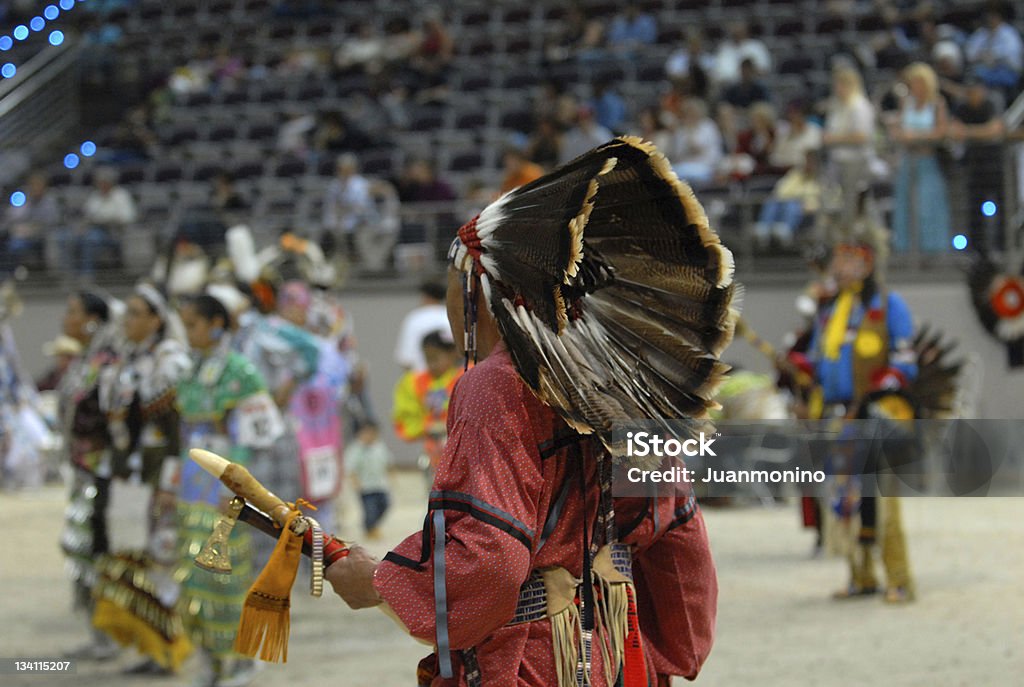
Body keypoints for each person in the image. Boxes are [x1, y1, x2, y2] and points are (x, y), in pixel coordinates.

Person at [325, 137, 723, 685]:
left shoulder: (495, 387)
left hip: (529, 661)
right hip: (616, 648)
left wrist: (380, 581)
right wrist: (672, 651)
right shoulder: (624, 374)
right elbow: (678, 529)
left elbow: (490, 560)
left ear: (478, 291)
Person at [807, 219, 917, 604]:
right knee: (846, 499)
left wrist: (881, 387)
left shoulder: (888, 306)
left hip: (875, 415)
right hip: (840, 417)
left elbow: (906, 361)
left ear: (867, 264)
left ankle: (899, 579)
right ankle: (861, 575)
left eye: (849, 260)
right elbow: (818, 361)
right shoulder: (832, 311)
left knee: (882, 501)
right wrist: (802, 373)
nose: (840, 268)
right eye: (838, 260)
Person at [175, 294, 279, 687]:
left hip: (224, 482)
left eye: (193, 324)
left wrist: (235, 483)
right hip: (191, 481)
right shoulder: (190, 370)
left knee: (225, 571)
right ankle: (211, 659)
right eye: (184, 325)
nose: (188, 333)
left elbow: (255, 436)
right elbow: (181, 433)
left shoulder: (240, 371)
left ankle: (240, 659)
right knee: (193, 570)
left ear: (217, 324)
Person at [91, 284, 193, 675]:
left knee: (162, 556)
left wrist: (171, 481)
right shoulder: (122, 360)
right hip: (127, 473)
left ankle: (171, 647)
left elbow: (176, 430)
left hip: (158, 477)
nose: (128, 320)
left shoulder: (170, 363)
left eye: (136, 313)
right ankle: (151, 645)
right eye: (127, 312)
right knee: (132, 555)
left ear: (156, 320)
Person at [58, 290, 120, 660]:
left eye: (73, 312)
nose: (67, 319)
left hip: (104, 473)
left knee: (92, 548)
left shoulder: (108, 363)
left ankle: (109, 634)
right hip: (84, 470)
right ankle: (99, 632)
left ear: (93, 319)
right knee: (80, 548)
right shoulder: (87, 361)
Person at [889, 62, 951, 254]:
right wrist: (899, 133)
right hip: (908, 161)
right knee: (904, 204)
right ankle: (906, 248)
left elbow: (941, 132)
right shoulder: (905, 103)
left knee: (928, 205)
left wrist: (915, 136)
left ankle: (932, 249)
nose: (915, 86)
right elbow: (897, 130)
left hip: (927, 161)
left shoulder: (937, 103)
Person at [392, 331, 462, 485]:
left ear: (453, 354)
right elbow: (405, 418)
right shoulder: (414, 382)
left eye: (436, 358)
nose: (432, 364)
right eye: (427, 358)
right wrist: (426, 427)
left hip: (463, 455)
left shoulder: (465, 376)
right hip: (433, 455)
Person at [949, 78, 1006, 251]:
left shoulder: (991, 104)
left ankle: (1001, 245)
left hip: (994, 165)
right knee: (974, 209)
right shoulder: (962, 107)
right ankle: (977, 249)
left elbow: (995, 129)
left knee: (1001, 207)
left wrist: (969, 132)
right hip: (973, 166)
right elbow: (954, 131)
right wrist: (980, 132)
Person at [822, 65, 877, 224]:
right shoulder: (837, 107)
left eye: (841, 84)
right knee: (837, 205)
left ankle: (862, 240)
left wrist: (834, 139)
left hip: (856, 162)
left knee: (856, 205)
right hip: (837, 161)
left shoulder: (860, 106)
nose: (838, 89)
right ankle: (844, 241)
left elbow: (862, 136)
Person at [72, 167, 138, 279]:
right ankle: (72, 274)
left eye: (104, 182)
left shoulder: (121, 195)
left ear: (111, 182)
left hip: (115, 232)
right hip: (96, 229)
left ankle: (87, 274)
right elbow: (87, 215)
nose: (101, 185)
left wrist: (108, 219)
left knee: (90, 239)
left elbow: (129, 217)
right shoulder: (95, 196)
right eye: (99, 182)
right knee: (68, 237)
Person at [754, 150, 826, 249]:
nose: (807, 164)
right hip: (784, 204)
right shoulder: (796, 174)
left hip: (804, 211)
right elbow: (780, 189)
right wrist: (791, 197)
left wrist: (803, 203)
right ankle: (763, 229)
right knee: (772, 201)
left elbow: (820, 200)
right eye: (806, 161)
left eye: (810, 161)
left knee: (792, 205)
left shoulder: (822, 179)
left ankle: (785, 230)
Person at [1, 172, 60, 276]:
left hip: (44, 236)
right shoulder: (25, 199)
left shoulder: (50, 201)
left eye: (38, 185)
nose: (35, 188)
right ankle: (9, 276)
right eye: (32, 186)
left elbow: (51, 222)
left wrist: (32, 228)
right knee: (13, 243)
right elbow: (12, 216)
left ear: (44, 187)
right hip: (26, 236)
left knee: (16, 244)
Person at [322, 153, 377, 259]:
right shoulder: (334, 185)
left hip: (361, 220)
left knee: (350, 230)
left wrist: (346, 210)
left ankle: (352, 256)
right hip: (340, 221)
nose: (344, 172)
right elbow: (330, 206)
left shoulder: (361, 184)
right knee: (329, 230)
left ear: (353, 168)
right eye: (341, 169)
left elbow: (362, 208)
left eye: (347, 169)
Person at [344, 422, 393, 539]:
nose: (369, 436)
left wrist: (392, 477)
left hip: (380, 485)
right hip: (365, 487)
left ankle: (373, 526)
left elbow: (388, 462)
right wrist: (355, 482)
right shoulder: (355, 449)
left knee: (385, 505)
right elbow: (350, 468)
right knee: (370, 510)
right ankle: (369, 529)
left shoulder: (379, 446)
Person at [964, 1, 1023, 97]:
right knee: (974, 74)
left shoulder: (1009, 33)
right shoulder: (981, 33)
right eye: (988, 16)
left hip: (1006, 71)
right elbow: (969, 54)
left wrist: (994, 56)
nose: (990, 19)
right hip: (984, 70)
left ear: (999, 17)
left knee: (985, 76)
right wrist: (981, 55)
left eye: (993, 16)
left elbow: (1013, 58)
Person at [395, 280, 450, 371]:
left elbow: (405, 359)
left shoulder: (414, 318)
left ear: (426, 297)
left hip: (419, 378)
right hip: (450, 378)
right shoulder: (449, 316)